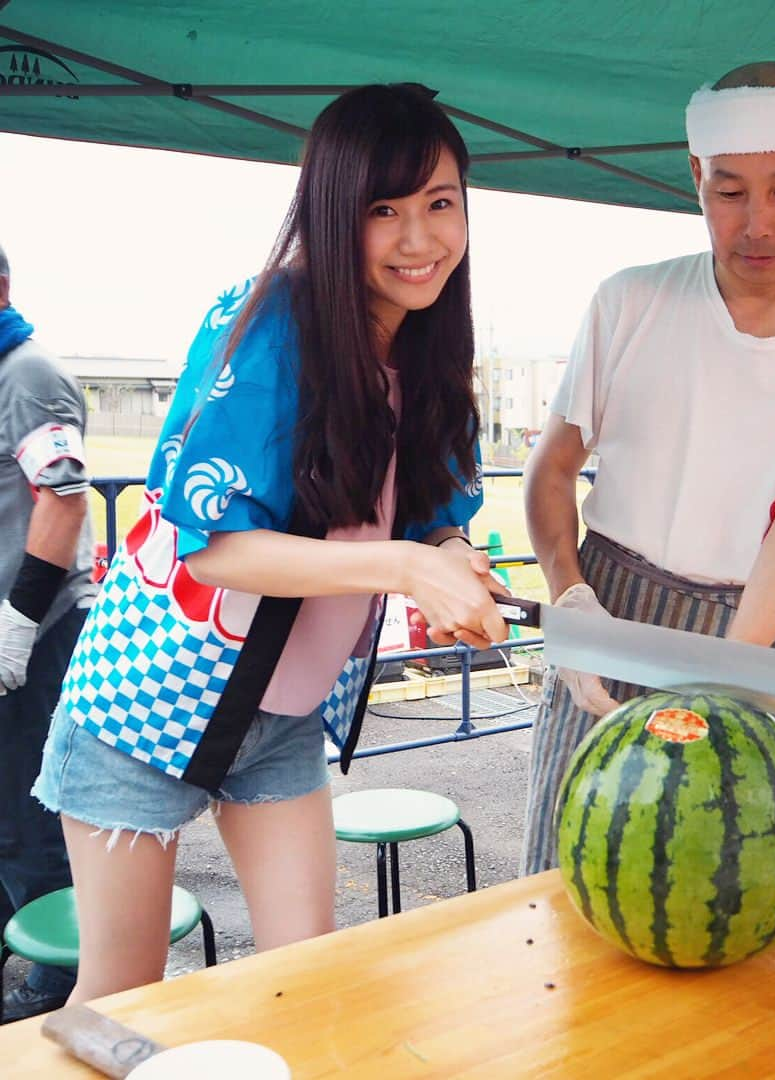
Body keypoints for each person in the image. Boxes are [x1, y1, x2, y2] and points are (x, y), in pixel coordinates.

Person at [32, 84, 508, 1003]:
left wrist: (448, 557)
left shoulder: (431, 353)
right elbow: (216, 549)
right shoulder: (265, 320)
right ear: (334, 213)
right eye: (385, 211)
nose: (421, 240)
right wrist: (407, 567)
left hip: (281, 715)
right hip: (141, 708)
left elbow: (431, 515)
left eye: (440, 204)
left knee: (307, 979)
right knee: (123, 992)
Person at [521, 61, 775, 874]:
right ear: (695, 174)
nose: (756, 224)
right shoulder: (630, 300)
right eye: (729, 191)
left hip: (760, 621)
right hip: (613, 610)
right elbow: (551, 470)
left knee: (727, 886)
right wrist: (572, 596)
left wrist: (737, 668)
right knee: (572, 873)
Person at [0, 244, 96, 1021]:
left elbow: (62, 499)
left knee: (30, 812)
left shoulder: (27, 372)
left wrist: (18, 622)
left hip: (34, 629)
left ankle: (56, 980)